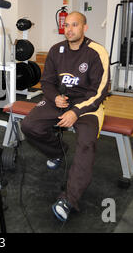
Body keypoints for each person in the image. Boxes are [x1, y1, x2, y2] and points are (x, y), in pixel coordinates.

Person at [20, 11, 109, 222]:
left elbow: (100, 91)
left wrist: (75, 112)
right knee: (29, 125)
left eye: (75, 25)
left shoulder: (97, 52)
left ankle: (69, 199)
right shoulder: (56, 50)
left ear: (85, 28)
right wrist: (54, 97)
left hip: (87, 106)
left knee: (86, 143)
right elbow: (47, 82)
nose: (69, 29)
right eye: (66, 25)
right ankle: (58, 151)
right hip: (61, 100)